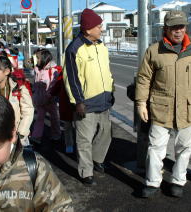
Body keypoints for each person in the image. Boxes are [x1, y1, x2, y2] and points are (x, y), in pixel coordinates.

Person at [135, 10, 191, 198]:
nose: (178, 31)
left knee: (184, 149)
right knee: (155, 148)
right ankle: (153, 183)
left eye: (181, 26)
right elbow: (144, 78)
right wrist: (141, 103)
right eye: (174, 27)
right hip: (161, 108)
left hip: (187, 109)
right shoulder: (154, 51)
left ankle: (178, 181)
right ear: (166, 29)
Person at [63, 8, 114, 186]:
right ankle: (86, 171)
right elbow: (71, 78)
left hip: (104, 100)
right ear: (88, 29)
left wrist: (111, 91)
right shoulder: (74, 49)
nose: (101, 29)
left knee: (105, 134)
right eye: (99, 26)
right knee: (84, 139)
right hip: (85, 103)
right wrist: (78, 102)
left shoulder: (101, 46)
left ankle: (96, 159)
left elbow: (107, 73)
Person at [0, 56, 34, 146]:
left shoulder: (19, 88)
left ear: (7, 71)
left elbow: (28, 111)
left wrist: (21, 133)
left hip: (16, 135)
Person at [31, 49, 61, 143]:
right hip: (40, 98)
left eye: (38, 58)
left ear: (44, 59)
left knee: (54, 117)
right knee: (41, 117)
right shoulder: (37, 69)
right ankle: (36, 136)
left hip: (49, 98)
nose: (36, 60)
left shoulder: (53, 70)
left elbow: (54, 83)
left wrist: (51, 95)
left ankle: (56, 134)